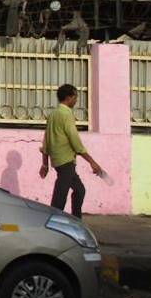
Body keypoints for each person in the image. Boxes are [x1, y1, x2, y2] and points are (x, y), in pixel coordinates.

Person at [39, 83, 103, 218]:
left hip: (58, 160)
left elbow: (46, 140)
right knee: (60, 197)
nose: (76, 100)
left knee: (79, 190)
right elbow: (75, 141)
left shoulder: (53, 115)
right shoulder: (66, 115)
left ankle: (76, 220)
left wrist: (45, 163)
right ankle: (53, 223)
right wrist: (92, 162)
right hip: (65, 161)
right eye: (75, 97)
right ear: (68, 98)